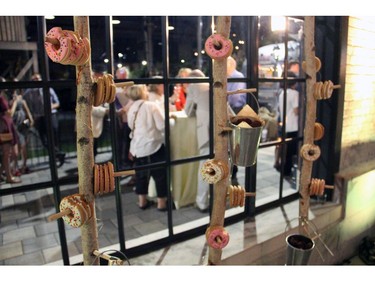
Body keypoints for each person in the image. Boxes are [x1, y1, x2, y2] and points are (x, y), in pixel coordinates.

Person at [126, 84, 168, 211]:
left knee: (141, 176)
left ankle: (142, 202)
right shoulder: (151, 105)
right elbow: (162, 126)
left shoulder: (131, 108)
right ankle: (161, 204)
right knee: (160, 175)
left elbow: (130, 126)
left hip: (138, 147)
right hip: (153, 146)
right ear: (142, 92)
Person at [23, 73, 66, 167]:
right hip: (39, 117)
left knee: (54, 137)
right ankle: (59, 154)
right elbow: (23, 100)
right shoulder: (29, 92)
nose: (36, 81)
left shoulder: (48, 89)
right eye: (34, 79)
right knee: (44, 140)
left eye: (38, 78)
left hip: (51, 115)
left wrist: (51, 106)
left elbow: (57, 103)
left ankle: (56, 158)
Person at [184, 69, 210, 212]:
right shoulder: (214, 84)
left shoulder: (193, 87)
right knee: (222, 164)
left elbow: (187, 112)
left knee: (205, 166)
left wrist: (195, 109)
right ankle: (221, 196)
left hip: (206, 131)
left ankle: (202, 202)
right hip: (222, 128)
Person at [275, 71, 299, 177]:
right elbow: (296, 111)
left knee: (285, 150)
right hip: (293, 125)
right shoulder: (295, 94)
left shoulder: (282, 93)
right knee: (291, 151)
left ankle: (283, 168)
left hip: (285, 124)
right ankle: (287, 170)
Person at [227, 56, 247, 184]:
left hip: (236, 111)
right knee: (229, 143)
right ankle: (229, 170)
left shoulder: (238, 77)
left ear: (230, 64)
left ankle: (233, 172)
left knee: (233, 143)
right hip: (230, 111)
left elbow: (236, 98)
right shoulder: (229, 77)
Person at [10, 86, 34, 174]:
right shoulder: (11, 101)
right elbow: (10, 113)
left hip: (23, 125)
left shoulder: (22, 100)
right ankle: (14, 166)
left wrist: (31, 121)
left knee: (23, 145)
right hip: (15, 124)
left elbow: (27, 111)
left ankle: (24, 165)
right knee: (19, 145)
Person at [114, 67, 134, 171]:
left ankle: (127, 161)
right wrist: (120, 111)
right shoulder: (114, 87)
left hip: (129, 117)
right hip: (119, 118)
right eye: (121, 74)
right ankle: (120, 162)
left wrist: (125, 109)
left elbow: (134, 99)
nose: (123, 76)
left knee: (128, 140)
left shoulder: (131, 86)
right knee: (120, 141)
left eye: (124, 74)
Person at [0, 88, 21, 184]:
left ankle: (4, 173)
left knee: (12, 153)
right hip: (4, 126)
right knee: (7, 153)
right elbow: (10, 113)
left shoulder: (2, 96)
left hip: (8, 125)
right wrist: (16, 102)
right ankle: (9, 176)